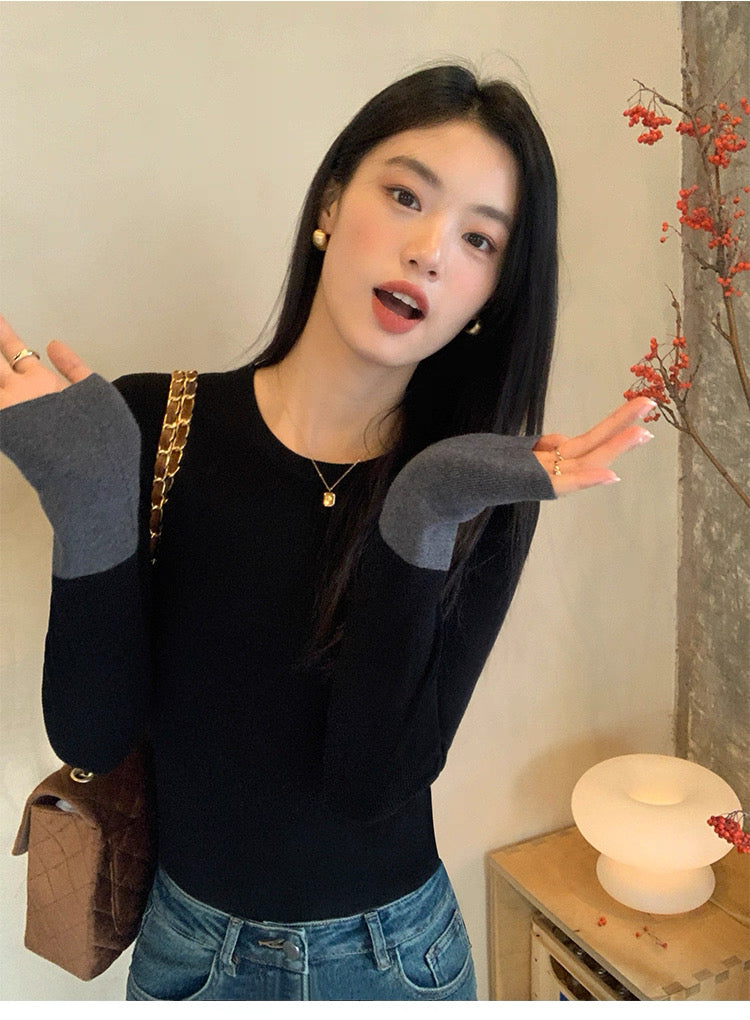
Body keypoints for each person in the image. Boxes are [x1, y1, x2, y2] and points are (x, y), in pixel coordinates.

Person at [0, 64, 654, 1001]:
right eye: (406, 196)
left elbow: (369, 783)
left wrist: (420, 509)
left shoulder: (479, 489)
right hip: (187, 955)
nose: (429, 251)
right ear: (331, 203)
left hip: (396, 962)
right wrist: (88, 497)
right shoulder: (152, 427)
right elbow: (94, 736)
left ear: (491, 298)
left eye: (478, 239)